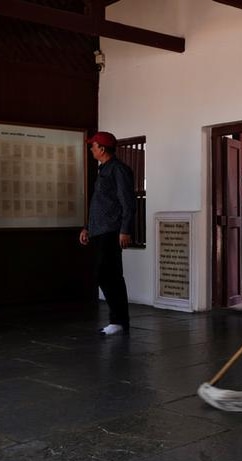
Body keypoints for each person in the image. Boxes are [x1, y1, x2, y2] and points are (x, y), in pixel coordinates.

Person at [79, 131, 136, 336]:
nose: (91, 149)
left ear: (102, 149)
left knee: (110, 275)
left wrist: (125, 229)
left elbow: (127, 202)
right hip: (99, 230)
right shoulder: (104, 170)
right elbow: (99, 204)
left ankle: (119, 320)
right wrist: (88, 227)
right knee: (105, 275)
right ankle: (118, 320)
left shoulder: (118, 170)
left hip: (111, 231)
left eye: (93, 146)